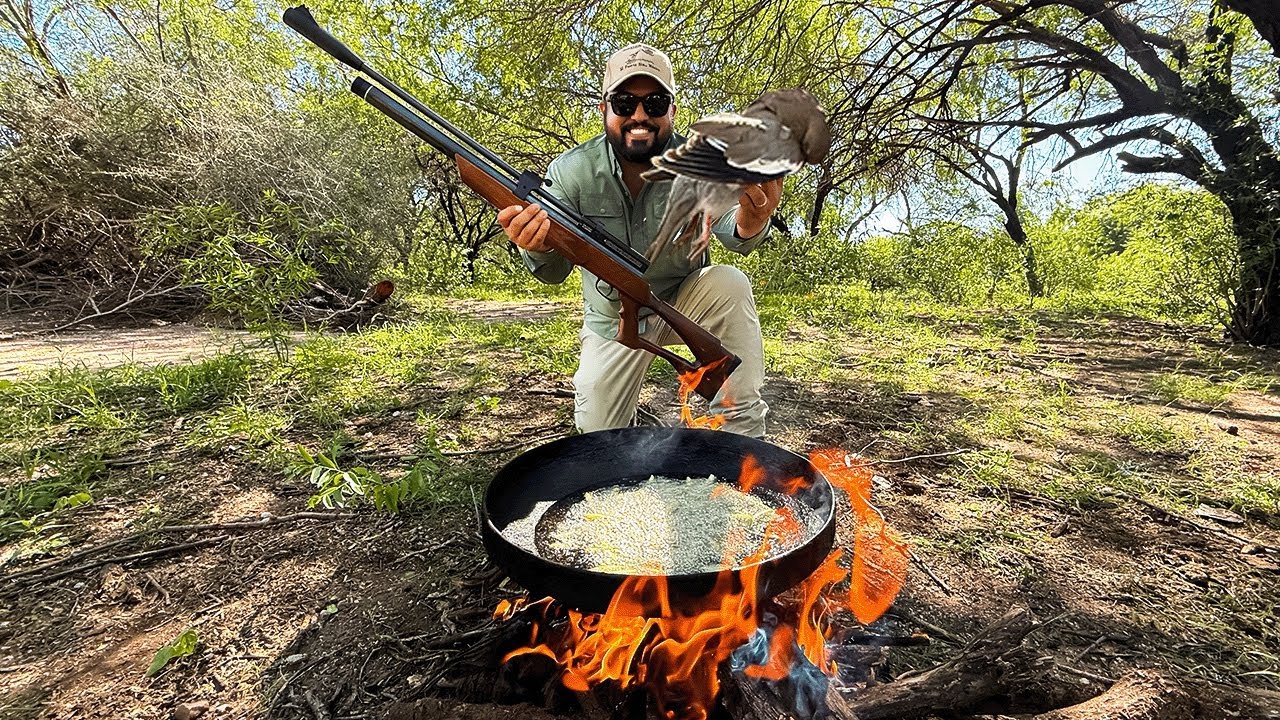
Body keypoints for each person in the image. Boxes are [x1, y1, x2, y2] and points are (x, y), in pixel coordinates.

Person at [496, 43, 782, 438]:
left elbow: (736, 233)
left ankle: (741, 436)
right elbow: (553, 272)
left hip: (683, 302)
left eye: (656, 102)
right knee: (598, 433)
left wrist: (754, 217)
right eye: (625, 102)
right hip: (612, 321)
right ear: (604, 109)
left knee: (730, 282)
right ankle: (636, 430)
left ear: (673, 110)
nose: (640, 116)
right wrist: (535, 244)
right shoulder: (570, 172)